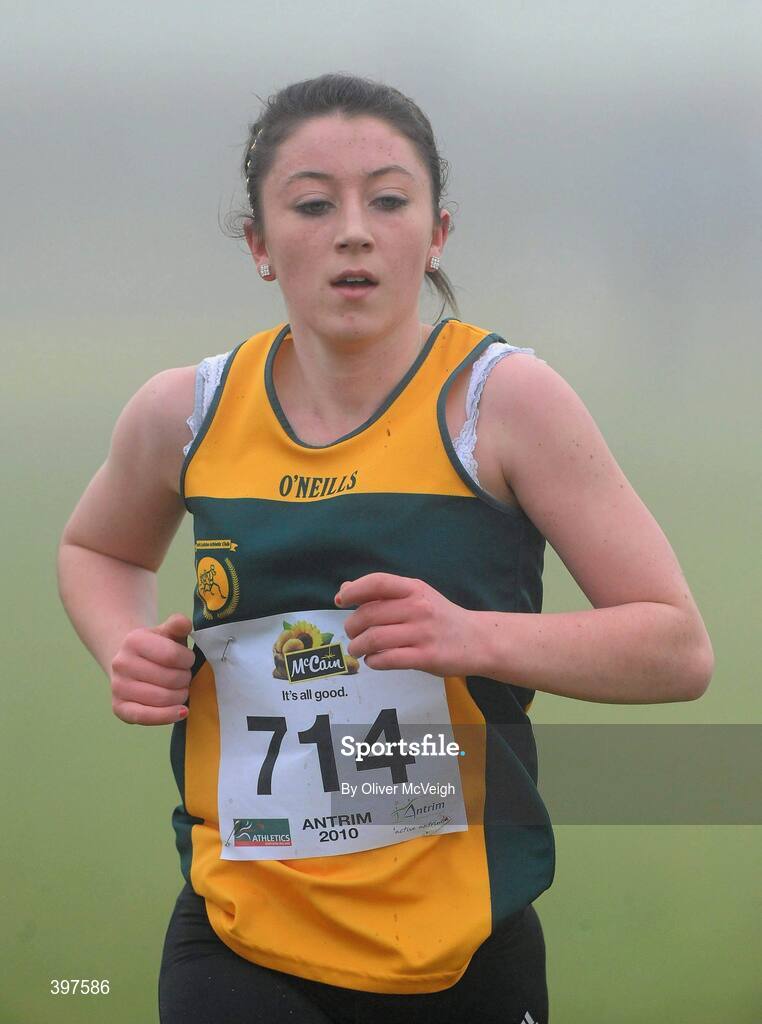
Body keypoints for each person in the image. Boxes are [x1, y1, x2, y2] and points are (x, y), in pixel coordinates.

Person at [57, 72, 714, 1024]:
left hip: (461, 939)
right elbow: (95, 548)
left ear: (437, 232)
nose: (354, 230)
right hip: (238, 925)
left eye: (390, 200)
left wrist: (470, 637)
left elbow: (676, 648)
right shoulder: (186, 412)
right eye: (313, 204)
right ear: (259, 244)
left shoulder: (505, 403)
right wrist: (122, 643)